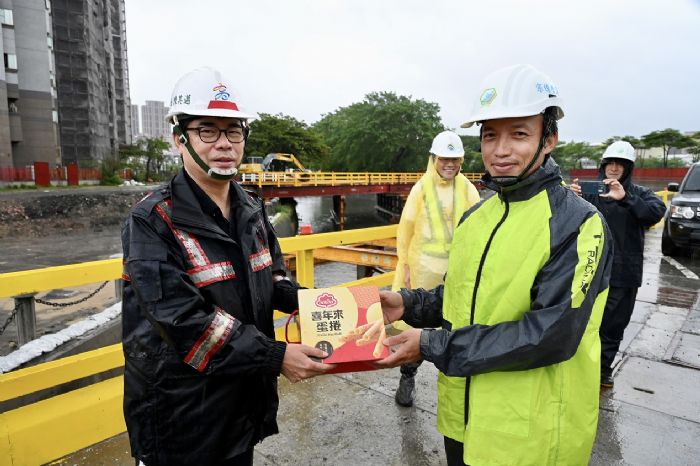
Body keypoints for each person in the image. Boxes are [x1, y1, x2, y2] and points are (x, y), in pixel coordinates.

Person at [376, 64, 613, 466]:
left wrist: (431, 344)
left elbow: (551, 334)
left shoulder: (578, 224)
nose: (500, 150)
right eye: (490, 135)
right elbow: (461, 297)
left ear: (549, 138)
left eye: (518, 134)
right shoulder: (478, 217)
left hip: (530, 433)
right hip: (464, 421)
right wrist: (408, 304)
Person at [121, 67, 333, 466]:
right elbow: (182, 319)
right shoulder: (152, 221)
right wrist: (276, 356)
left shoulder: (251, 207)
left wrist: (320, 304)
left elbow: (271, 277)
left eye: (233, 131)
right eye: (207, 130)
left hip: (241, 403)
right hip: (181, 416)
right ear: (178, 139)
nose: (224, 144)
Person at [392, 130, 480, 407]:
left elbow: (479, 228)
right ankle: (407, 376)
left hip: (456, 273)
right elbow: (406, 229)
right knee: (417, 328)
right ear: (434, 159)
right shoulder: (421, 188)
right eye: (445, 159)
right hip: (422, 272)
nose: (449, 164)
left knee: (456, 330)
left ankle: (455, 389)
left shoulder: (467, 188)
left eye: (454, 159)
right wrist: (404, 265)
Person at [571, 141, 665, 387]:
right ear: (603, 166)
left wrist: (626, 199)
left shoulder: (640, 194)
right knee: (582, 321)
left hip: (624, 273)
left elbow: (654, 214)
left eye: (619, 164)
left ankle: (602, 371)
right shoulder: (591, 192)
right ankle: (577, 367)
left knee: (613, 326)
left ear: (628, 168)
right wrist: (571, 198)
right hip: (590, 269)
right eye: (609, 163)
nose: (613, 168)